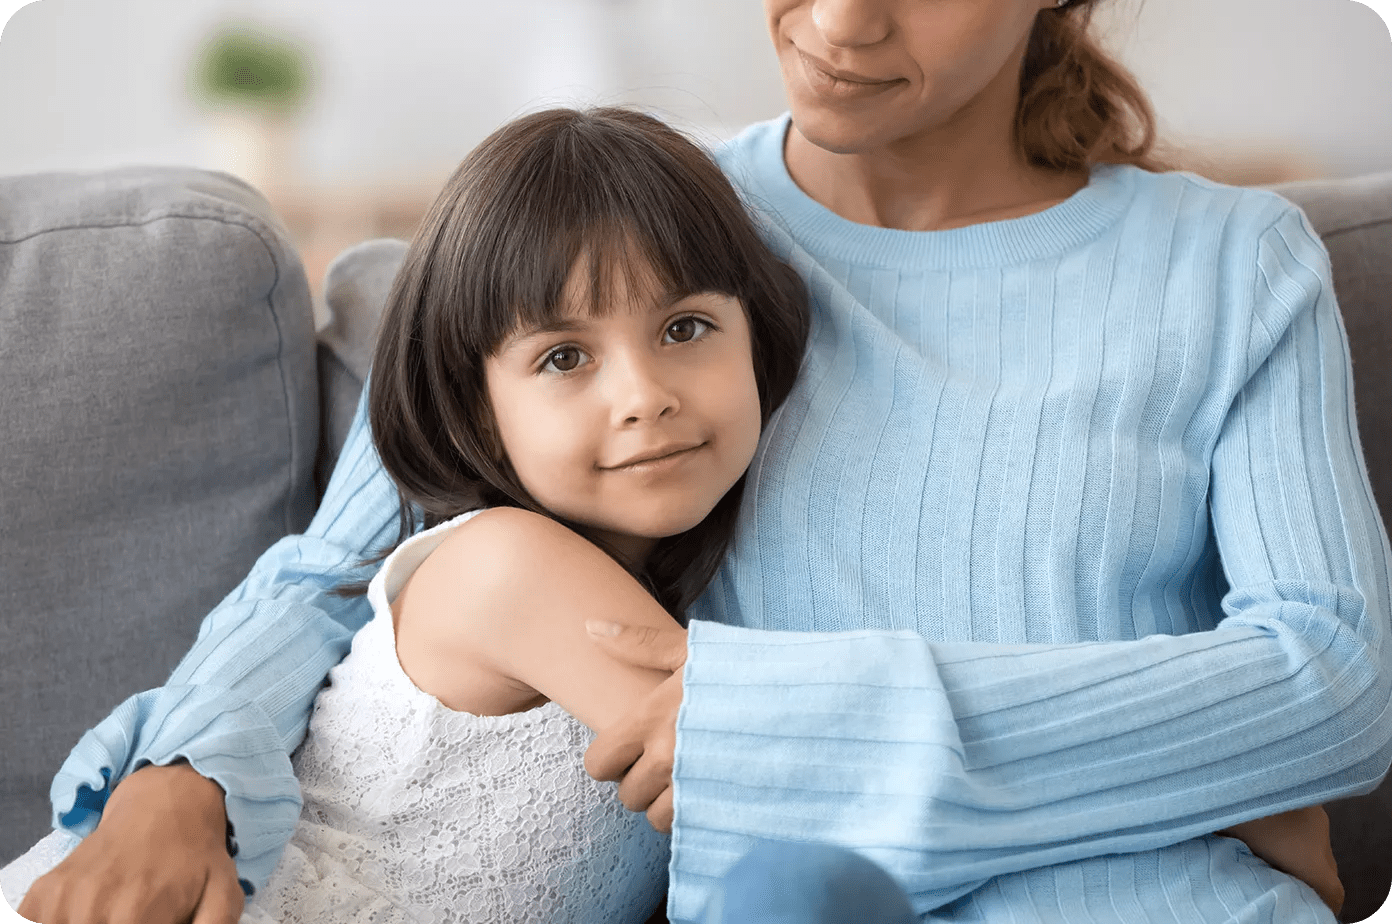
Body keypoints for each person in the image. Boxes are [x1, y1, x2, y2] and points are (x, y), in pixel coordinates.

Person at [12, 0, 1391, 921]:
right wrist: (181, 771)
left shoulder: (1229, 265)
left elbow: (1331, 680)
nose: (841, 20)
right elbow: (335, 568)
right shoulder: (647, 230)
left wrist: (777, 725)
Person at [3, 106, 810, 922]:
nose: (644, 397)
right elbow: (773, 798)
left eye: (685, 327)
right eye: (565, 357)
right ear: (477, 407)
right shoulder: (505, 564)